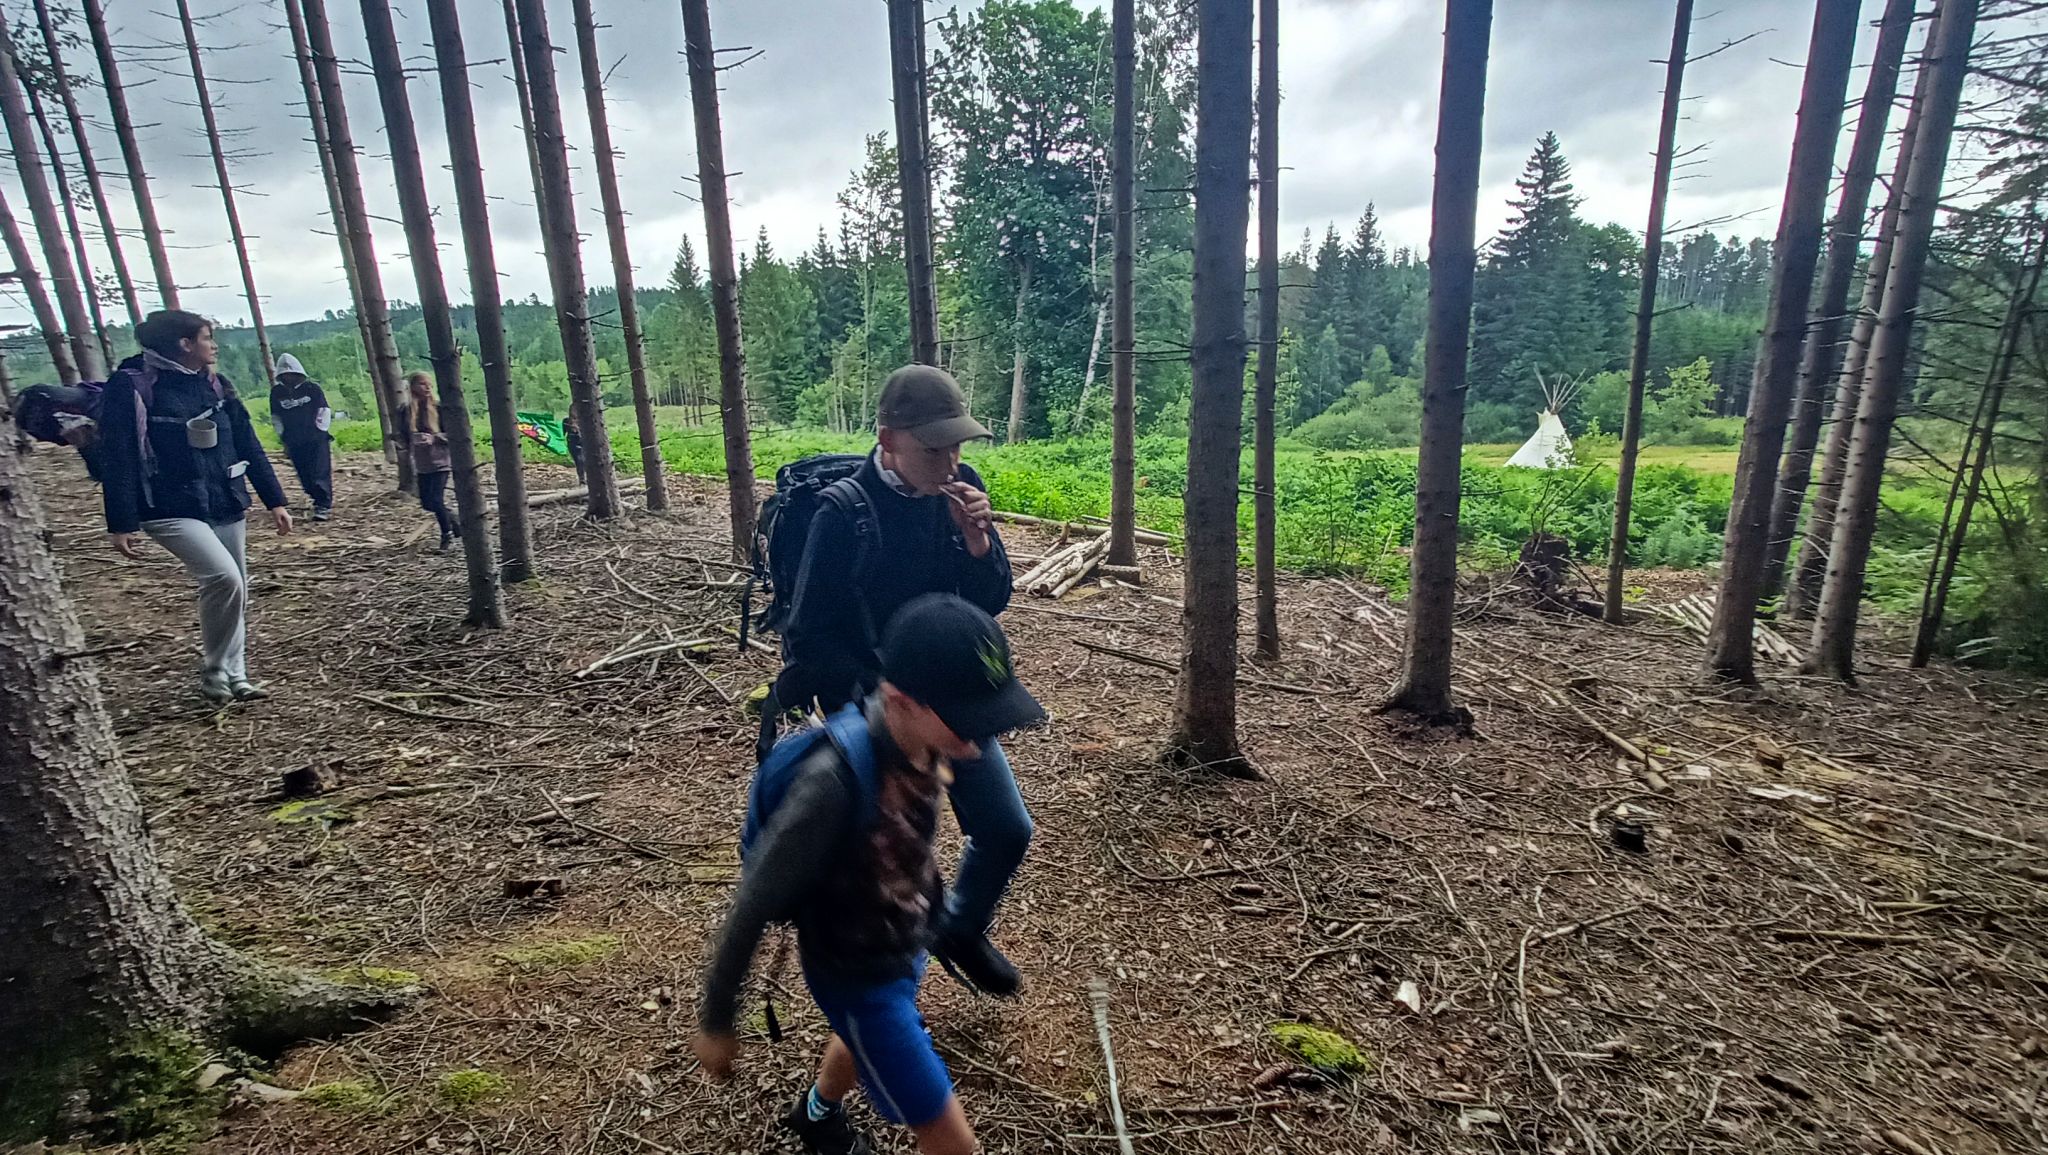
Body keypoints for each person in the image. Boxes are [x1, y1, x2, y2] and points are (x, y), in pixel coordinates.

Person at [696, 594, 1045, 1155]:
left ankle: (817, 1115)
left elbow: (906, 845)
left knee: (859, 1042)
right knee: (950, 1138)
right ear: (902, 700)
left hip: (903, 943)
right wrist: (717, 1020)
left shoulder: (922, 744)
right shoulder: (831, 784)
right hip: (856, 976)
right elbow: (753, 900)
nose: (979, 744)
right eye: (967, 723)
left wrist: (933, 917)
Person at [776, 364, 1029, 999]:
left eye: (957, 447)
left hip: (950, 699)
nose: (950, 463)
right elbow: (807, 636)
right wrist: (884, 697)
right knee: (892, 857)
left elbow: (989, 603)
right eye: (933, 449)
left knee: (1006, 828)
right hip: (876, 710)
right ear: (888, 440)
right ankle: (882, 999)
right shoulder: (843, 513)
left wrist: (978, 543)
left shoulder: (961, 491)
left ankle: (959, 930)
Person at [98, 309, 292, 703]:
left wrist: (275, 499)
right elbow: (118, 455)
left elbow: (247, 442)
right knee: (224, 579)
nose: (214, 346)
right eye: (206, 338)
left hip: (224, 498)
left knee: (237, 589)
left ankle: (236, 676)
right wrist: (120, 521)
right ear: (184, 344)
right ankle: (215, 669)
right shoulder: (131, 386)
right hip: (166, 505)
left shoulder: (216, 384)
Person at [268, 353, 333, 520]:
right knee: (304, 472)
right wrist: (282, 435)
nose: (288, 377)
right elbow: (276, 416)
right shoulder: (277, 393)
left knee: (320, 471)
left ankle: (323, 504)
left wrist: (320, 431)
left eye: (291, 374)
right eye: (285, 374)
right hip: (294, 440)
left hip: (316, 439)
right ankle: (313, 496)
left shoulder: (312, 389)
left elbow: (323, 410)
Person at [404, 372, 458, 551]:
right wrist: (412, 441)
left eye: (429, 384)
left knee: (436, 499)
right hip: (422, 463)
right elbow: (402, 435)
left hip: (441, 461)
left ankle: (447, 534)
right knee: (427, 503)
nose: (427, 387)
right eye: (422, 384)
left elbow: (454, 435)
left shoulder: (440, 408)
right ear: (412, 387)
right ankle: (455, 520)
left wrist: (434, 438)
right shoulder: (407, 411)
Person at [562, 405, 586, 484]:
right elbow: (562, 434)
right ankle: (582, 478)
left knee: (582, 460)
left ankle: (584, 478)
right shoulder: (566, 421)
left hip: (583, 442)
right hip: (572, 443)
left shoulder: (583, 420)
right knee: (578, 460)